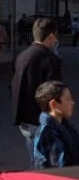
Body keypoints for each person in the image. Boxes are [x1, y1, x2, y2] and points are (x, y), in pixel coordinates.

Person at [11, 18, 62, 166]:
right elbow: (55, 91)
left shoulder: (21, 56)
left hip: (24, 116)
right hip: (42, 119)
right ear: (51, 36)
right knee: (47, 162)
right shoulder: (49, 58)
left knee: (33, 155)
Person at [31, 81, 79, 168]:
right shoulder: (47, 133)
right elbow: (62, 168)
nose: (73, 103)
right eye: (68, 99)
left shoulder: (63, 124)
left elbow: (72, 154)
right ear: (53, 104)